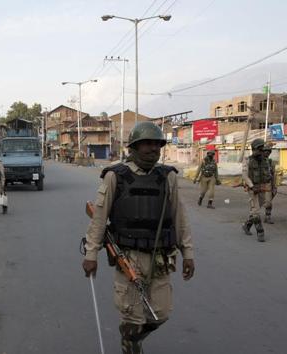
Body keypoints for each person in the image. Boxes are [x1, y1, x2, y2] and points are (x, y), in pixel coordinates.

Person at [82, 122, 195, 354]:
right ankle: (131, 341)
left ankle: (130, 337)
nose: (154, 149)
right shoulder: (115, 176)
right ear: (133, 148)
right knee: (132, 315)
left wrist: (188, 254)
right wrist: (91, 254)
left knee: (161, 314)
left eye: (157, 144)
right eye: (148, 144)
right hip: (129, 257)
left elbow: (179, 217)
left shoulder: (168, 177)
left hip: (161, 258)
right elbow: (99, 219)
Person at [242, 138, 273, 242]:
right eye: (259, 149)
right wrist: (251, 186)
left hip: (263, 187)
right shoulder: (247, 160)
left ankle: (247, 225)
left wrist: (271, 187)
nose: (261, 152)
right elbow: (245, 176)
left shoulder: (266, 161)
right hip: (252, 188)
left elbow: (268, 175)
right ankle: (260, 232)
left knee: (256, 208)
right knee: (256, 211)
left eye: (262, 149)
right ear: (254, 149)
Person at [263, 144, 277, 224]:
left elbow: (273, 175)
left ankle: (267, 217)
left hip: (268, 184)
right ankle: (252, 218)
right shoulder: (257, 161)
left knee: (268, 202)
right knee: (255, 203)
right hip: (258, 185)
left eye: (268, 152)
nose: (267, 153)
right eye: (265, 151)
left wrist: (274, 186)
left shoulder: (270, 162)